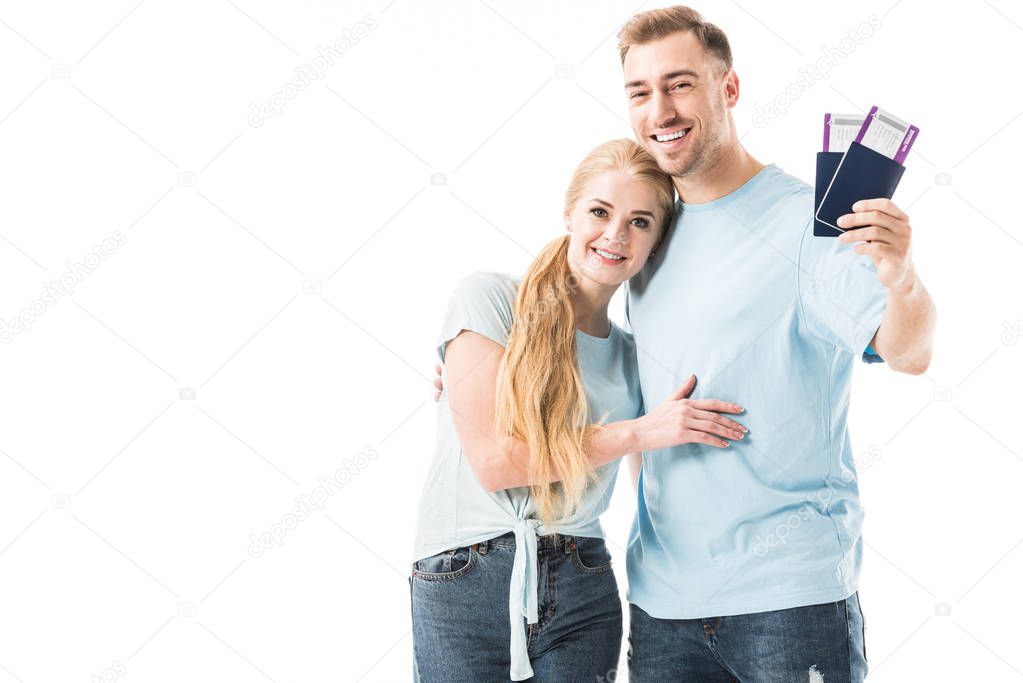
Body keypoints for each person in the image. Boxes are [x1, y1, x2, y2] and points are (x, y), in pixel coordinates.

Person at [615, 7, 937, 682]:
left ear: (727, 90)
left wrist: (900, 275)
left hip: (786, 603)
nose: (659, 110)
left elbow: (908, 353)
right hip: (659, 603)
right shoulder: (642, 232)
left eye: (678, 84)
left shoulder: (809, 221)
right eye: (640, 91)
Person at [410, 138, 749, 682]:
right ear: (570, 212)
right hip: (467, 574)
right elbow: (498, 464)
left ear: (657, 241)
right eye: (600, 211)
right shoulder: (488, 300)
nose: (615, 235)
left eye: (640, 222)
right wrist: (635, 433)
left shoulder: (634, 357)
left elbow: (656, 491)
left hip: (582, 576)